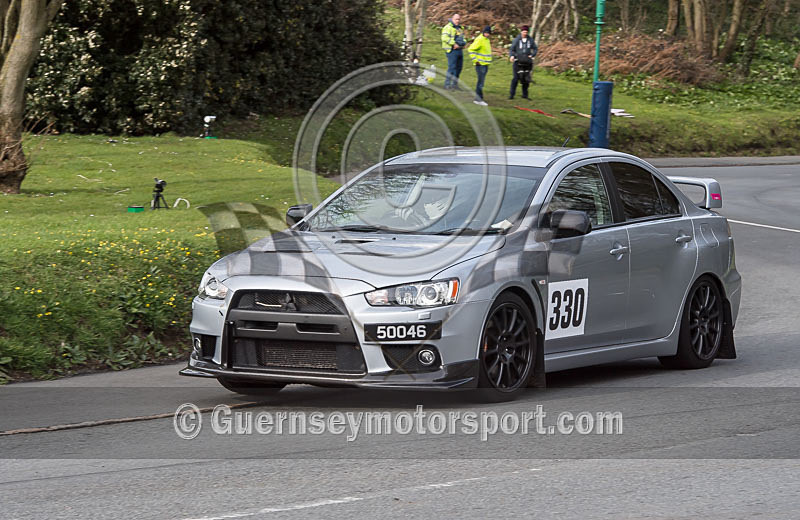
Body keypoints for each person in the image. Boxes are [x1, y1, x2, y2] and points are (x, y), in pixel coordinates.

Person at [508, 25, 538, 100]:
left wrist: (532, 55)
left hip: (527, 62)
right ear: (521, 31)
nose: (525, 33)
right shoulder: (517, 40)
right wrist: (512, 56)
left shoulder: (530, 40)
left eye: (526, 32)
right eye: (524, 32)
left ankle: (525, 95)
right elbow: (512, 49)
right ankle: (512, 94)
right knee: (516, 78)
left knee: (526, 79)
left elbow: (535, 48)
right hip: (517, 62)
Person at [468, 26, 493, 106]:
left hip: (485, 64)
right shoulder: (480, 39)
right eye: (486, 33)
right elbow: (471, 49)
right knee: (480, 83)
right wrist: (475, 60)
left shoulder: (486, 40)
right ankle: (478, 99)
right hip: (480, 65)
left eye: (488, 33)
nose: (487, 34)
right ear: (483, 32)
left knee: (481, 82)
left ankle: (479, 98)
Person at [441, 14, 465, 89]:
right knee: (452, 68)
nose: (457, 21)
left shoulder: (460, 28)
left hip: (459, 50)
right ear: (452, 19)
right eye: (456, 19)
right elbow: (444, 38)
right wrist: (453, 44)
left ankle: (455, 84)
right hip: (451, 50)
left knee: (459, 68)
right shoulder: (448, 27)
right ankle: (447, 84)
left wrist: (463, 43)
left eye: (458, 19)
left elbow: (463, 38)